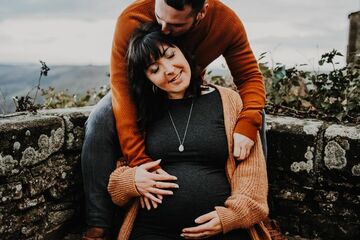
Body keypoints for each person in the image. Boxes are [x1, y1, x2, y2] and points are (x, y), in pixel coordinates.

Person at [81, 0, 266, 238]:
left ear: (201, 14)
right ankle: (99, 223)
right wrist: (140, 164)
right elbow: (122, 88)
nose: (164, 29)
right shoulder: (133, 18)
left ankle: (257, 211)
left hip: (189, 83)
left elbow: (250, 75)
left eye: (175, 25)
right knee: (100, 118)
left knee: (254, 113)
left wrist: (248, 123)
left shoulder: (225, 23)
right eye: (160, 18)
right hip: (142, 91)